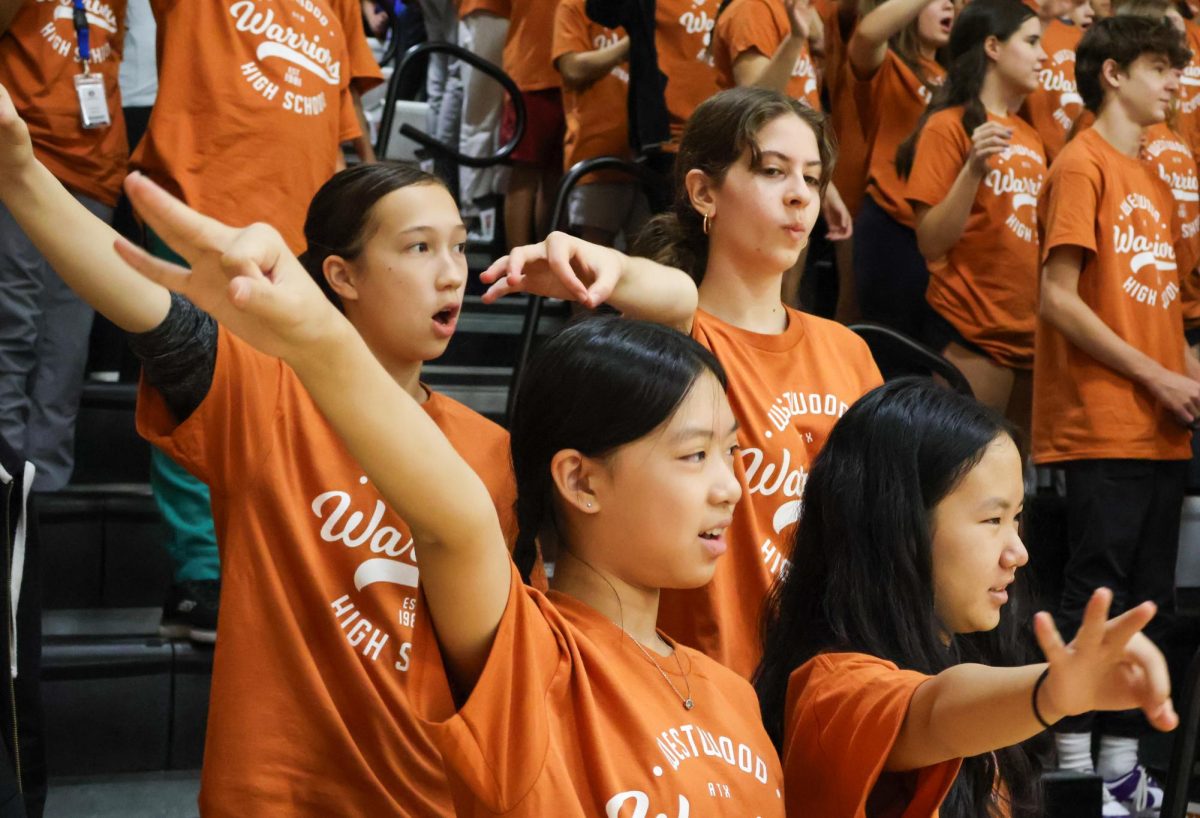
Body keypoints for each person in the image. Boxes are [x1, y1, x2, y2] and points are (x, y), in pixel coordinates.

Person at [111, 174, 789, 816]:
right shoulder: (525, 661)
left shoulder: (733, 695)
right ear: (577, 480)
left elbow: (677, 356)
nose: (732, 487)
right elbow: (457, 524)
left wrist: (627, 275)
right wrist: (317, 336)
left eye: (730, 453)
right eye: (697, 455)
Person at [0, 81, 517, 815]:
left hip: (434, 795)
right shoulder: (267, 396)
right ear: (341, 275)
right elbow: (136, 299)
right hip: (277, 794)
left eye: (460, 247)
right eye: (419, 247)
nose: (452, 271)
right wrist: (19, 169)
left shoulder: (491, 450)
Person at [482, 86, 882, 678]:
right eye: (773, 171)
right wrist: (605, 264)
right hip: (703, 683)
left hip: (835, 680)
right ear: (703, 192)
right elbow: (674, 297)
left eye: (814, 176)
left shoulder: (850, 352)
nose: (801, 194)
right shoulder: (676, 337)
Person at [754, 378, 1178, 818]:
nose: (1018, 552)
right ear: (897, 527)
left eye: (1016, 518)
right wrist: (1050, 692)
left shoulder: (960, 647)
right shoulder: (832, 689)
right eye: (992, 519)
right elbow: (934, 710)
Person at [130, 0, 380, 644]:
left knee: (291, 405)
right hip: (199, 201)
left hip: (300, 230)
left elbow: (337, 113)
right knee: (196, 387)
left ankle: (260, 564)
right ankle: (199, 574)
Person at [1034, 15, 1196, 814]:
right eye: (1161, 67)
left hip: (1161, 427)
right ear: (1111, 73)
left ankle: (1122, 773)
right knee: (1091, 598)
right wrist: (1158, 379)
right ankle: (1071, 768)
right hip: (1101, 422)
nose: (1175, 82)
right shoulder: (1080, 165)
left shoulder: (1156, 178)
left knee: (1147, 606)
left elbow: (1165, 314)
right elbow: (1057, 302)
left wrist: (1182, 381)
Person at [898, 0, 1047, 430]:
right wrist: (973, 170)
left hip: (1029, 335)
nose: (1043, 55)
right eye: (1032, 42)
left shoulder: (1032, 136)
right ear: (993, 47)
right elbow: (930, 241)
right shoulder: (948, 126)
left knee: (1016, 480)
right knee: (966, 475)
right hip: (972, 332)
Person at [0, 0, 127, 492]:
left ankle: (48, 480)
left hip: (97, 165)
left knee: (69, 337)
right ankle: (7, 470)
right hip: (23, 155)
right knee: (13, 320)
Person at [848, 0, 952, 340]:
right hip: (892, 225)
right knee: (893, 358)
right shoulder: (889, 65)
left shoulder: (956, 79)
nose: (949, 4)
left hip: (941, 234)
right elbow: (866, 34)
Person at [552, 0, 646, 247]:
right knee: (593, 254)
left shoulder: (658, 7)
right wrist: (634, 41)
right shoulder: (574, 6)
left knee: (650, 255)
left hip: (651, 155)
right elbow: (571, 67)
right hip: (596, 150)